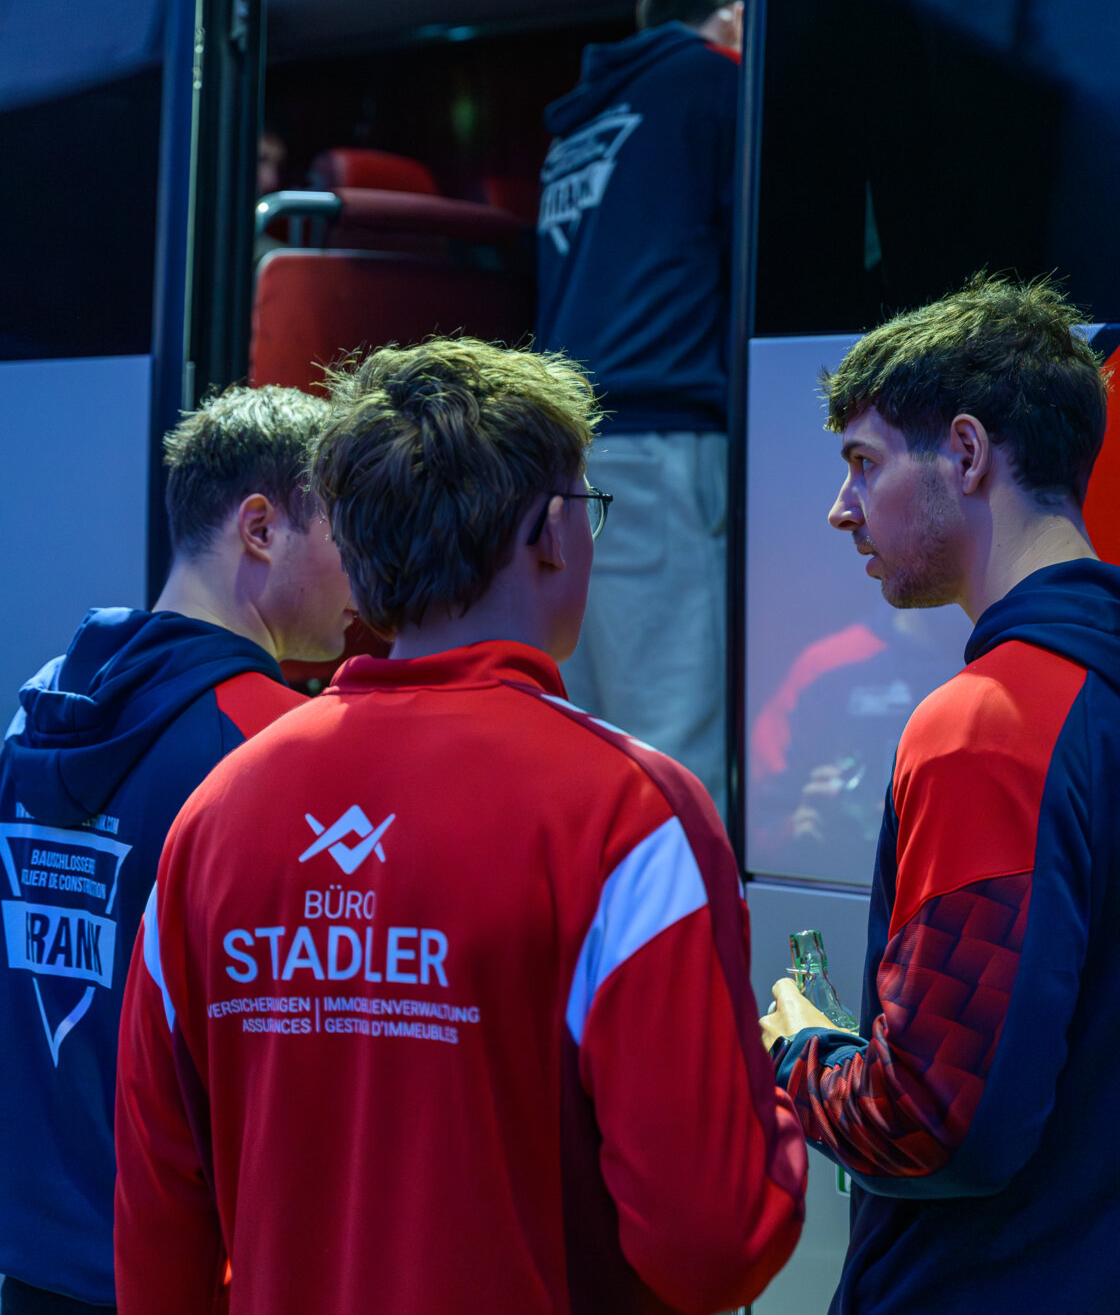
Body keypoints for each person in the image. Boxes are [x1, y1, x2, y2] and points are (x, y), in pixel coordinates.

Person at [114, 337, 806, 1315]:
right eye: (588, 504)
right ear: (551, 532)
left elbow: (159, 1226)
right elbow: (713, 1244)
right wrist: (773, 1090)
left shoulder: (217, 815)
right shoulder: (630, 814)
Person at [759, 275, 1119, 1314]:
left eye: (863, 463)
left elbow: (934, 1122)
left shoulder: (987, 725)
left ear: (965, 453)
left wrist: (798, 1048)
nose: (841, 508)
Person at [0, 384, 354, 1314]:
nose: (363, 569)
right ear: (261, 528)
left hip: (29, 1258)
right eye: (344, 527)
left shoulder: (37, 709)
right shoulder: (273, 745)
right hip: (182, 1270)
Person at [535, 0, 744, 815]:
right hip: (661, 446)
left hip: (570, 453)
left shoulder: (578, 127)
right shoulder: (714, 83)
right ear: (733, 20)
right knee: (673, 747)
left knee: (591, 738)